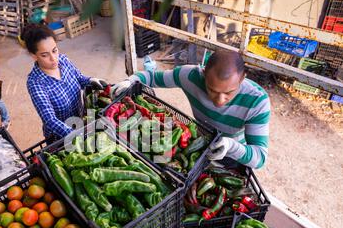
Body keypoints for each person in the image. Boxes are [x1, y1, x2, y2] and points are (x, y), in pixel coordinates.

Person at [112, 50, 270, 169]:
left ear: (243, 78)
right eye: (212, 90)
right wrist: (130, 81)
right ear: (203, 73)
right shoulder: (190, 76)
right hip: (199, 143)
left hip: (233, 156)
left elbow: (260, 158)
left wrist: (230, 146)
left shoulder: (257, 101)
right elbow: (152, 77)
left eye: (229, 93)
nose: (220, 100)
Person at [23, 24, 107, 143]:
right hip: (60, 137)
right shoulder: (35, 83)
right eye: (44, 55)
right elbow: (50, 120)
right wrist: (75, 135)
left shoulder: (63, 60)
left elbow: (79, 78)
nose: (53, 58)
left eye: (54, 50)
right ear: (34, 56)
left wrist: (90, 80)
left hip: (80, 122)